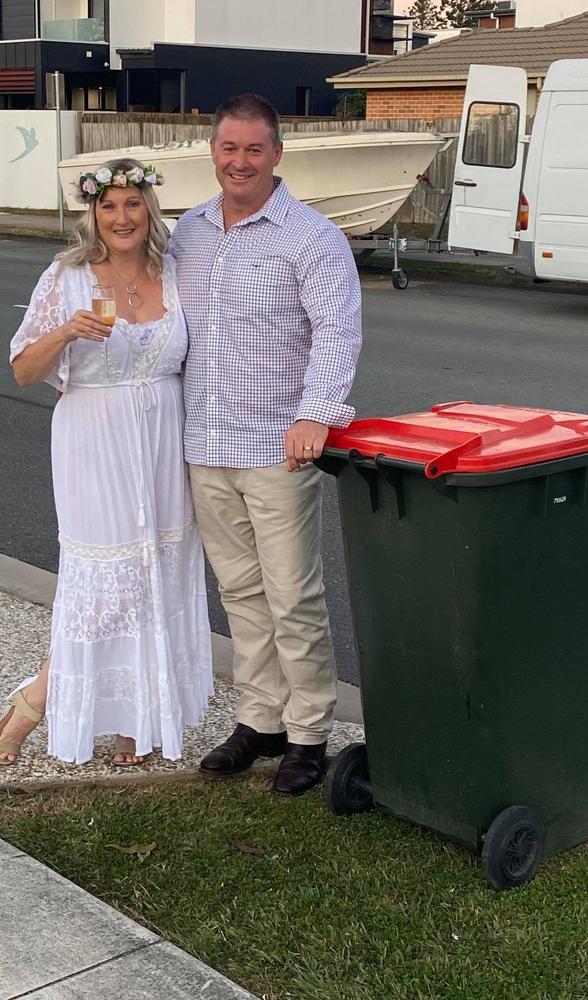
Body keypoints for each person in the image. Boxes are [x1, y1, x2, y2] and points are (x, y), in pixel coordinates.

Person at [169, 93, 362, 796]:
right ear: (212, 152)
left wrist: (317, 415)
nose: (240, 162)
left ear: (277, 153)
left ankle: (311, 732)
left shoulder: (312, 238)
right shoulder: (187, 232)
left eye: (254, 149)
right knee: (241, 594)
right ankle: (262, 720)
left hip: (278, 448)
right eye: (228, 148)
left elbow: (337, 331)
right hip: (205, 442)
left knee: (292, 595)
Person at [5, 158, 214, 767]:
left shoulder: (175, 275)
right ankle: (31, 706)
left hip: (164, 445)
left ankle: (137, 719)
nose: (121, 217)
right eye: (108, 205)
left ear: (149, 208)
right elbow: (22, 371)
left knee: (157, 576)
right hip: (94, 442)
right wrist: (65, 333)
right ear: (92, 213)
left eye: (132, 203)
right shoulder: (66, 276)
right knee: (102, 585)